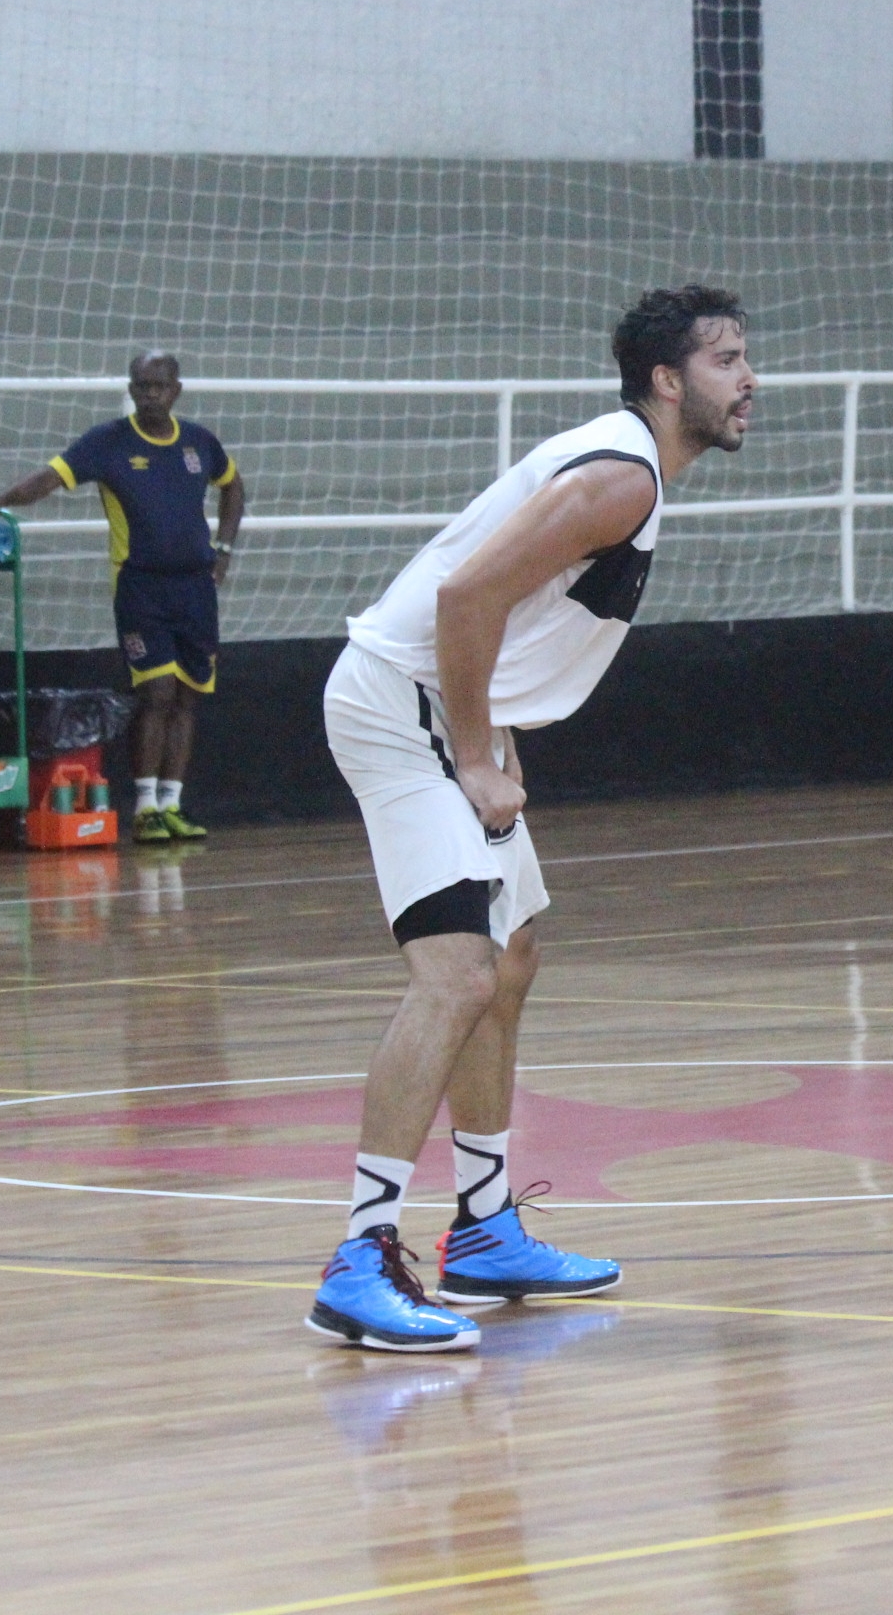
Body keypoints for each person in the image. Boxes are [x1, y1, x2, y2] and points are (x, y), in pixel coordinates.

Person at [307, 285, 756, 1352]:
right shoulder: (620, 476)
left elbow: (495, 619)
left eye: (747, 358)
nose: (749, 379)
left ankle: (485, 1227)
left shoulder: (630, 471)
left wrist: (492, 738)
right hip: (400, 709)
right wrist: (472, 755)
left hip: (452, 712)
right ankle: (359, 1259)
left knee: (509, 962)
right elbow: (468, 599)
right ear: (666, 380)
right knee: (456, 973)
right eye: (727, 359)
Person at [0, 350, 245, 842]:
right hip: (141, 586)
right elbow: (50, 477)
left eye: (159, 386)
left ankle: (173, 803)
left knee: (186, 696)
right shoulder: (108, 443)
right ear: (131, 389)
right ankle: (144, 807)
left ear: (176, 389)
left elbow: (233, 486)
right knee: (156, 692)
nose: (150, 395)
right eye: (141, 386)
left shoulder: (200, 442)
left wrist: (223, 549)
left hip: (195, 589)